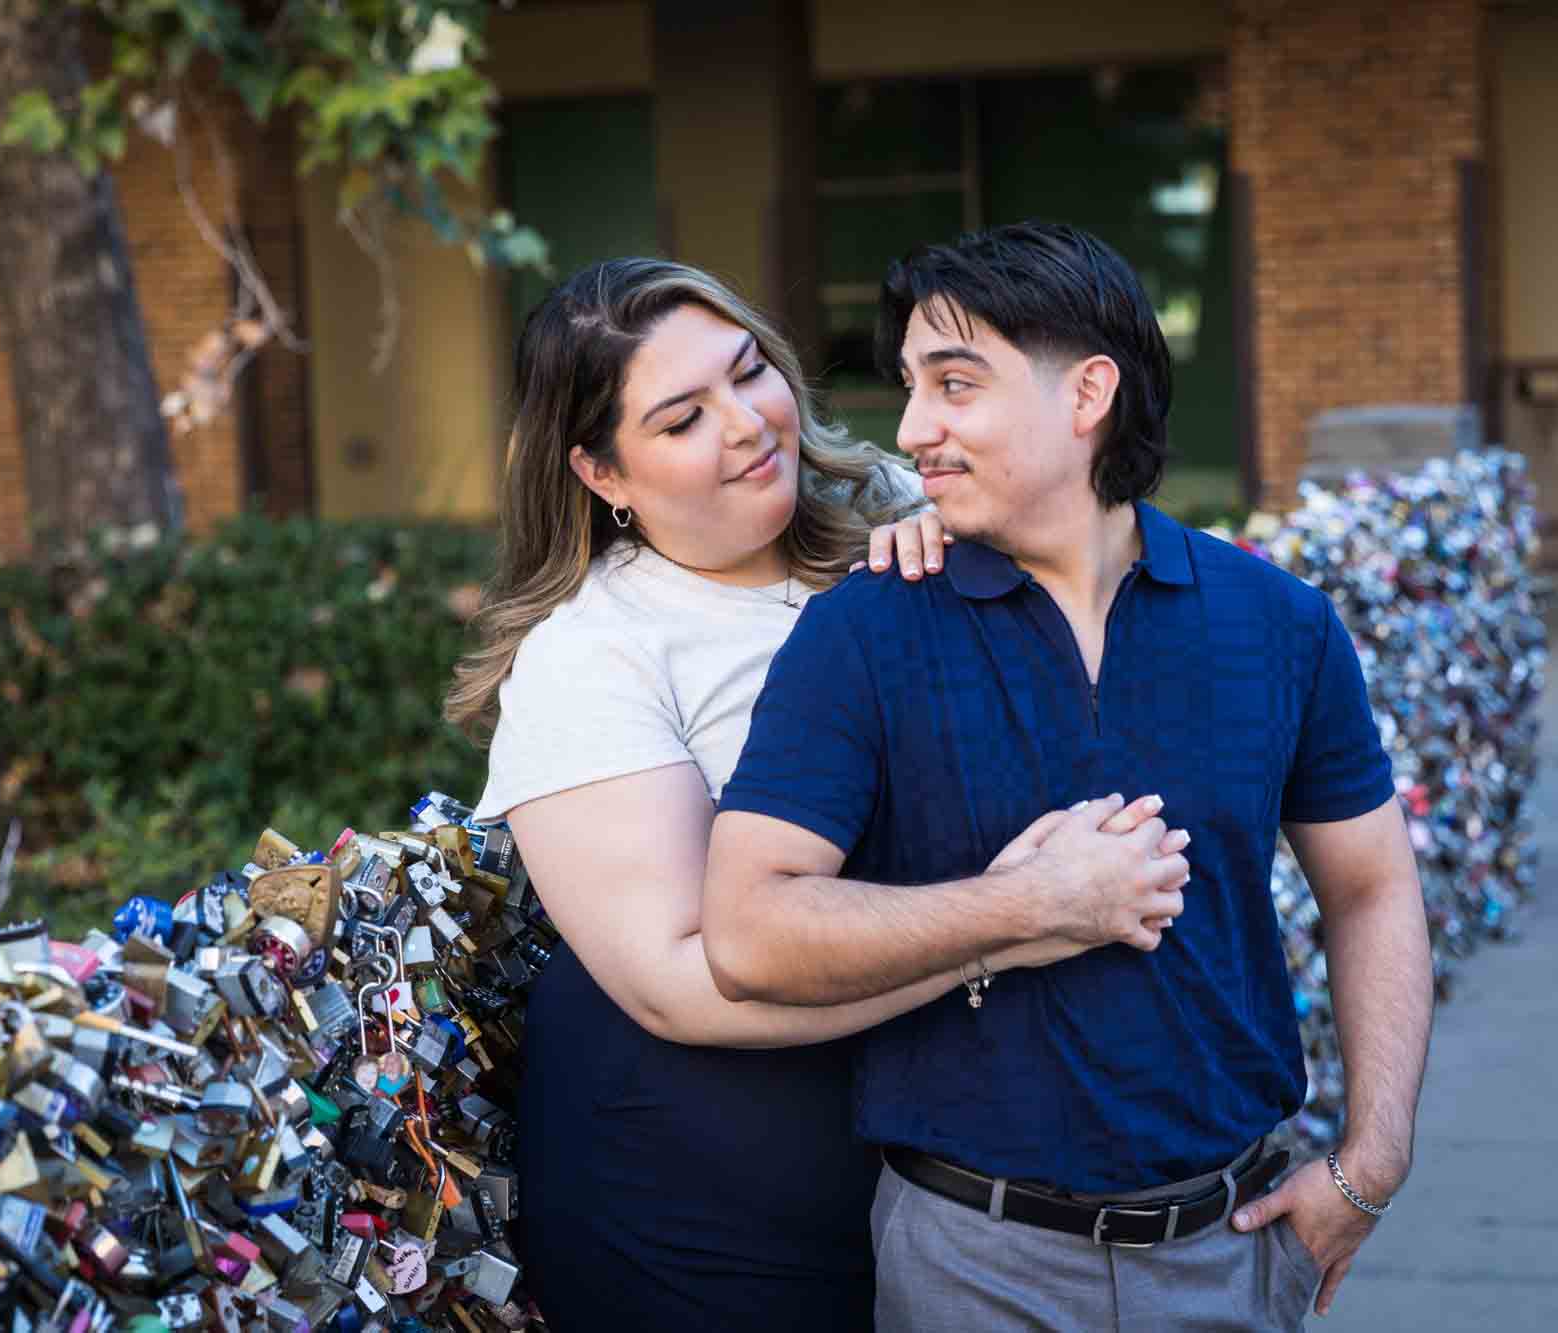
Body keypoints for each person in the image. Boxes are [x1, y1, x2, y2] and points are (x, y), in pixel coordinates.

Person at [704, 221, 1435, 1331]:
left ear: (1087, 393)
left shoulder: (1277, 623)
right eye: (908, 385)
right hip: (967, 1261)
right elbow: (749, 929)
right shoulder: (863, 630)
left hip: (1233, 1253)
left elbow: (1371, 886)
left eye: (955, 383)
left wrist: (1370, 1164)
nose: (912, 429)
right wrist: (1030, 904)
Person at [444, 257, 1191, 1332]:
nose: (747, 423)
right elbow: (677, 981)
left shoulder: (904, 514)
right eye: (681, 418)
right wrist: (1010, 926)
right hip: (707, 1174)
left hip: (950, 1153)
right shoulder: (593, 656)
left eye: (750, 372)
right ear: (601, 472)